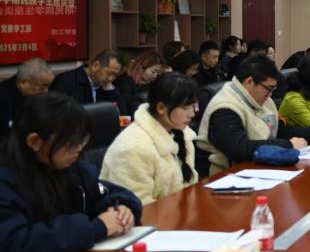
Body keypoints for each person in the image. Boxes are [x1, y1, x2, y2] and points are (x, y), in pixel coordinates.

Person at [0, 93, 142, 252]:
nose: (79, 148)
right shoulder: (6, 178)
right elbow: (12, 243)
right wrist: (96, 228)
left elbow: (104, 190)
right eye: (70, 143)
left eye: (83, 139)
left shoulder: (69, 165)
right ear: (35, 141)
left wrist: (120, 208)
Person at [196, 55, 310, 176]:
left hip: (259, 171)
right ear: (249, 82)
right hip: (224, 178)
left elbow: (279, 130)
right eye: (268, 88)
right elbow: (241, 148)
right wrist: (288, 145)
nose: (270, 94)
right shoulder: (224, 107)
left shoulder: (262, 100)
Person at [101, 73, 199, 205]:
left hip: (179, 211)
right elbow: (137, 207)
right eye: (185, 108)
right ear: (161, 108)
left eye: (193, 106)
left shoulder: (182, 133)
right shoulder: (133, 147)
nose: (192, 113)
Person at [50, 49, 127, 115]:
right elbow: (59, 114)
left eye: (115, 75)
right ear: (96, 66)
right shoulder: (65, 81)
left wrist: (110, 90)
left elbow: (122, 115)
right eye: (109, 73)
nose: (111, 79)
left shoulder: (107, 85)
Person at [0, 58, 54, 136]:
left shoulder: (38, 94)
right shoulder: (3, 97)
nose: (46, 91)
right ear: (23, 83)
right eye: (42, 87)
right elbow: (6, 131)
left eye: (48, 86)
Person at [113, 52, 164, 118]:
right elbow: (126, 107)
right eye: (153, 72)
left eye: (158, 73)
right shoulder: (124, 82)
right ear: (141, 69)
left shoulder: (153, 83)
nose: (155, 76)